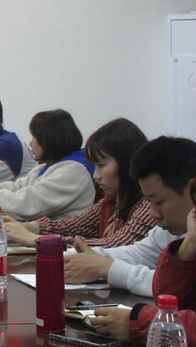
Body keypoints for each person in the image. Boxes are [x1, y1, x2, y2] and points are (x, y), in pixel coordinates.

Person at [89, 139, 196, 343]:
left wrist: (139, 324)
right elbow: (169, 299)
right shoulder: (184, 230)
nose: (153, 214)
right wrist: (188, 247)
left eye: (159, 202)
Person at [64, 136, 196, 299]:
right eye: (149, 202)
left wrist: (109, 269)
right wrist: (81, 257)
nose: (153, 214)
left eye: (159, 202)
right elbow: (139, 253)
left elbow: (175, 286)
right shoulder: (172, 228)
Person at [5, 118, 154, 248]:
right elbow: (72, 226)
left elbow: (113, 247)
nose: (96, 176)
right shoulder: (113, 200)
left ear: (127, 163)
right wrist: (30, 227)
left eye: (101, 165)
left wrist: (37, 239)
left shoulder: (149, 205)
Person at [0, 109, 95, 220]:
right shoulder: (45, 168)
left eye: (35, 137)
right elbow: (16, 187)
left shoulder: (73, 172)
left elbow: (25, 203)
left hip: (60, 233)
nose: (31, 143)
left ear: (49, 139)